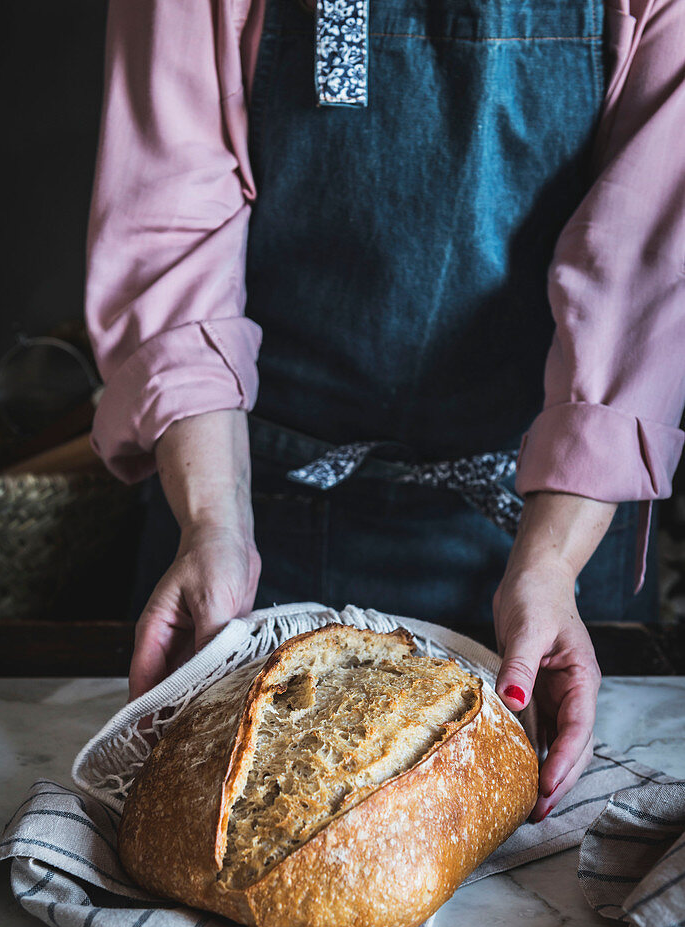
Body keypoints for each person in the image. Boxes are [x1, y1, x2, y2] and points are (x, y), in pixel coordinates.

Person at [84, 0, 685, 823]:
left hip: (550, 545)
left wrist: (549, 566)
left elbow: (646, 263)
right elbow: (168, 215)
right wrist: (213, 523)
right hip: (252, 512)